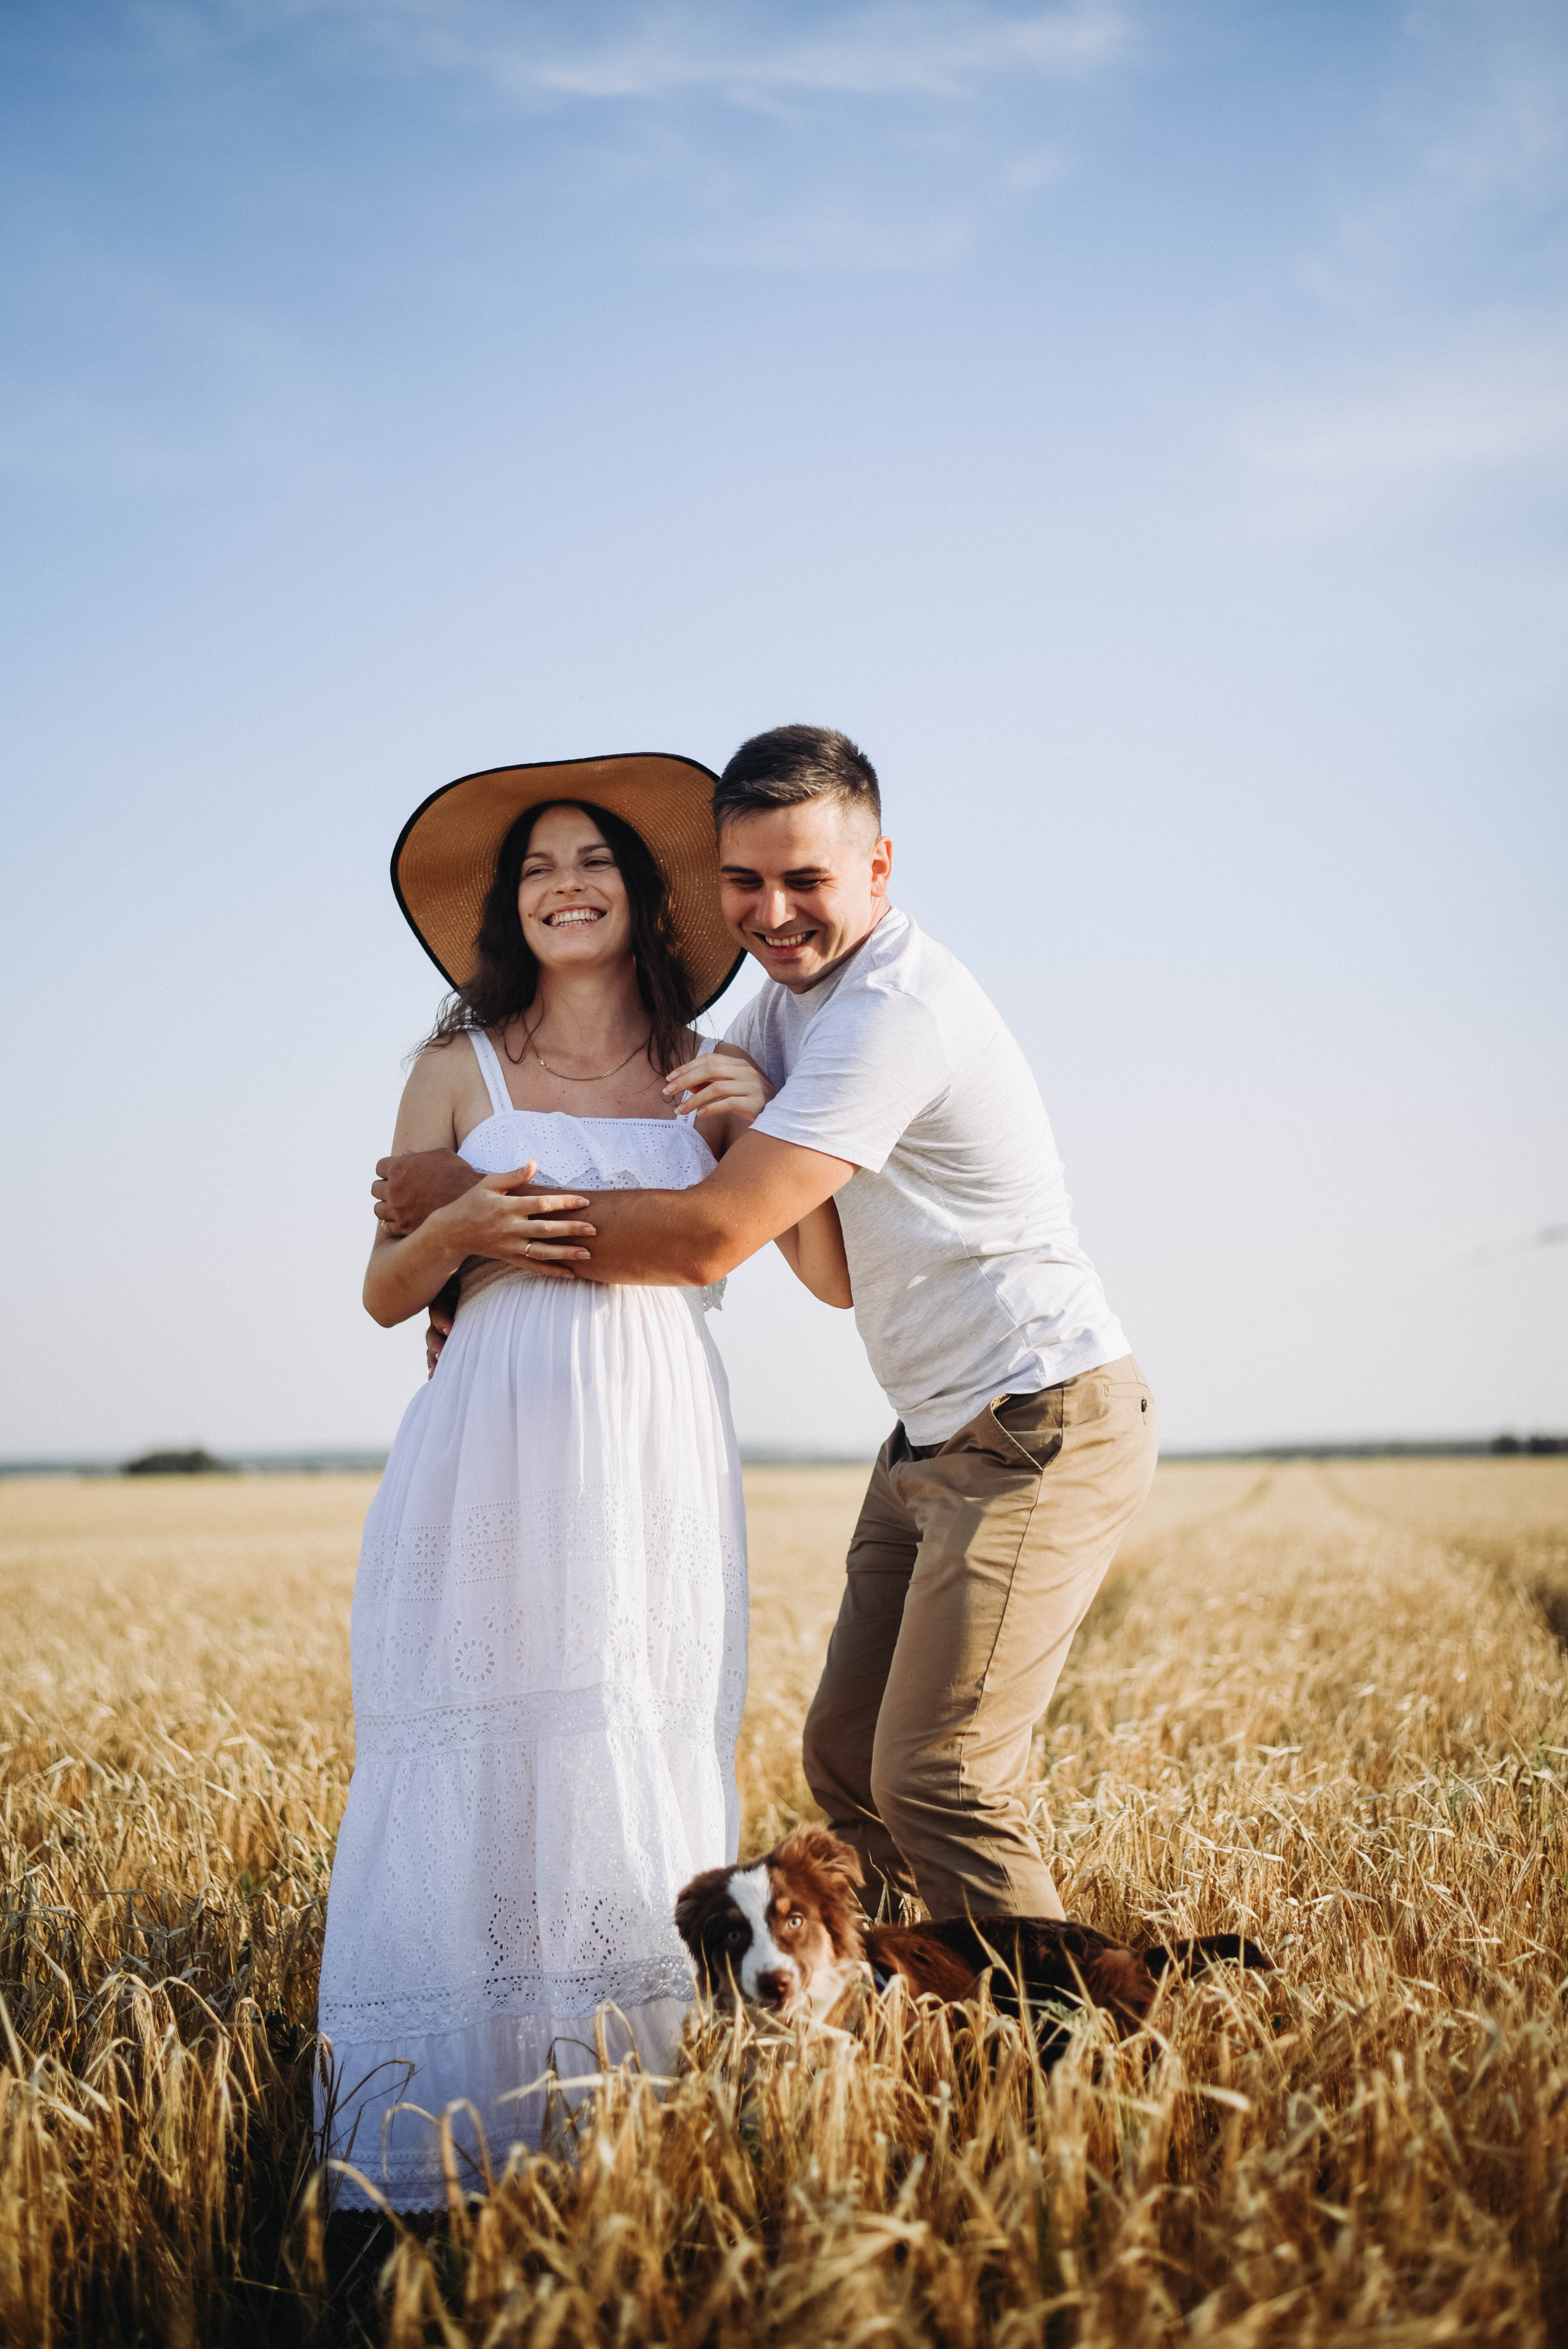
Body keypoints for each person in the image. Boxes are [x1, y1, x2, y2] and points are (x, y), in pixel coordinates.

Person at [377, 725, 1156, 1929]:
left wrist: (479, 1223)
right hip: (928, 1440)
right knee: (847, 1770)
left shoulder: (884, 1014)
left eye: (807, 879)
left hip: (1036, 1417)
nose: (774, 911)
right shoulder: (782, 1015)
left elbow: (702, 1239)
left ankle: (1065, 2066)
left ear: (879, 870)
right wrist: (459, 1278)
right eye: (745, 880)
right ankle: (907, 2019)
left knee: (935, 1780)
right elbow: (816, 1261)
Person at [319, 755, 851, 2211]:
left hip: (654, 1432)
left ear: (640, 897)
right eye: (536, 868)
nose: (561, 885)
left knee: (629, 1722)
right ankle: (447, 2145)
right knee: (480, 1739)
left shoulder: (709, 1056)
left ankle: (625, 2128)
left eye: (591, 863)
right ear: (510, 908)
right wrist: (467, 1227)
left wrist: (747, 1123)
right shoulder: (456, 1068)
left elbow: (821, 1269)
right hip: (487, 1433)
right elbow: (382, 1293)